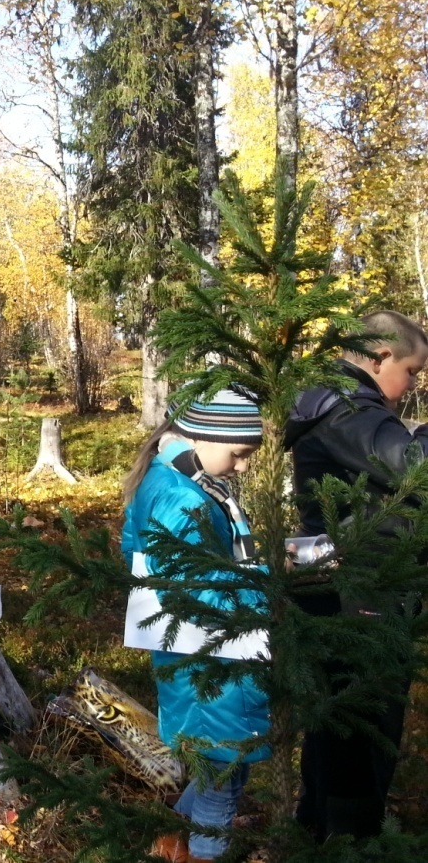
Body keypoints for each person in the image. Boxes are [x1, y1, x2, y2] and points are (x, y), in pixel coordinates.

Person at [283, 309, 428, 842]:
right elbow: (414, 464)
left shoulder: (340, 405)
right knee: (362, 721)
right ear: (381, 356)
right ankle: (349, 840)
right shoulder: (347, 408)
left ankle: (321, 827)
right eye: (412, 372)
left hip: (345, 579)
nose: (411, 387)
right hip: (357, 588)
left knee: (337, 722)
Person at [121, 385, 270, 863]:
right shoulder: (182, 497)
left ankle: (171, 840)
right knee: (222, 778)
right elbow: (193, 589)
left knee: (217, 769)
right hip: (212, 662)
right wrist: (274, 581)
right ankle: (204, 852)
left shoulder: (177, 481)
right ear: (202, 438)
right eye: (239, 454)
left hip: (199, 661)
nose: (242, 466)